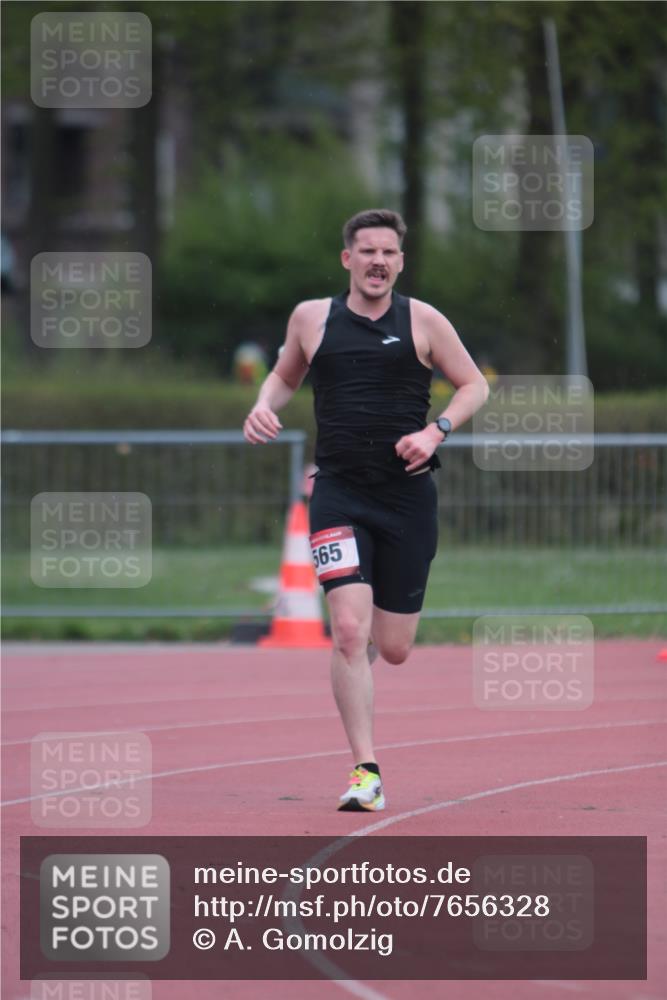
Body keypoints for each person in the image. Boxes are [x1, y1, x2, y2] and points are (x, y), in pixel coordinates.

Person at [243, 208, 489, 811]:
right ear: (347, 259)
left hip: (406, 497)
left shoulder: (424, 320)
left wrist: (437, 432)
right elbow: (283, 376)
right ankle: (366, 771)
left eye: (390, 253)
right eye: (368, 251)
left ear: (400, 261)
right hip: (338, 493)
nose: (379, 261)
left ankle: (368, 661)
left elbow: (475, 384)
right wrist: (261, 405)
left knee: (394, 645)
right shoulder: (312, 317)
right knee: (348, 631)